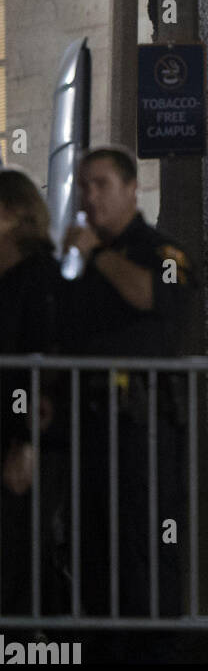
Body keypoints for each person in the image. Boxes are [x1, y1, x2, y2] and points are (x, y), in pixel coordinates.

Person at [61, 145, 193, 628]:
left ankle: (155, 650)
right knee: (93, 549)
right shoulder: (82, 261)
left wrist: (97, 255)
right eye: (84, 186)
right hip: (88, 425)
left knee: (145, 548)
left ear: (132, 188)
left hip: (144, 426)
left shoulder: (161, 253)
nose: (90, 197)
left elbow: (152, 296)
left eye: (101, 184)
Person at [0, 169, 67, 616]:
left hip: (27, 434)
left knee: (20, 541)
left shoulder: (38, 275)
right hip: (12, 428)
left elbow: (42, 362)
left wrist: (26, 442)